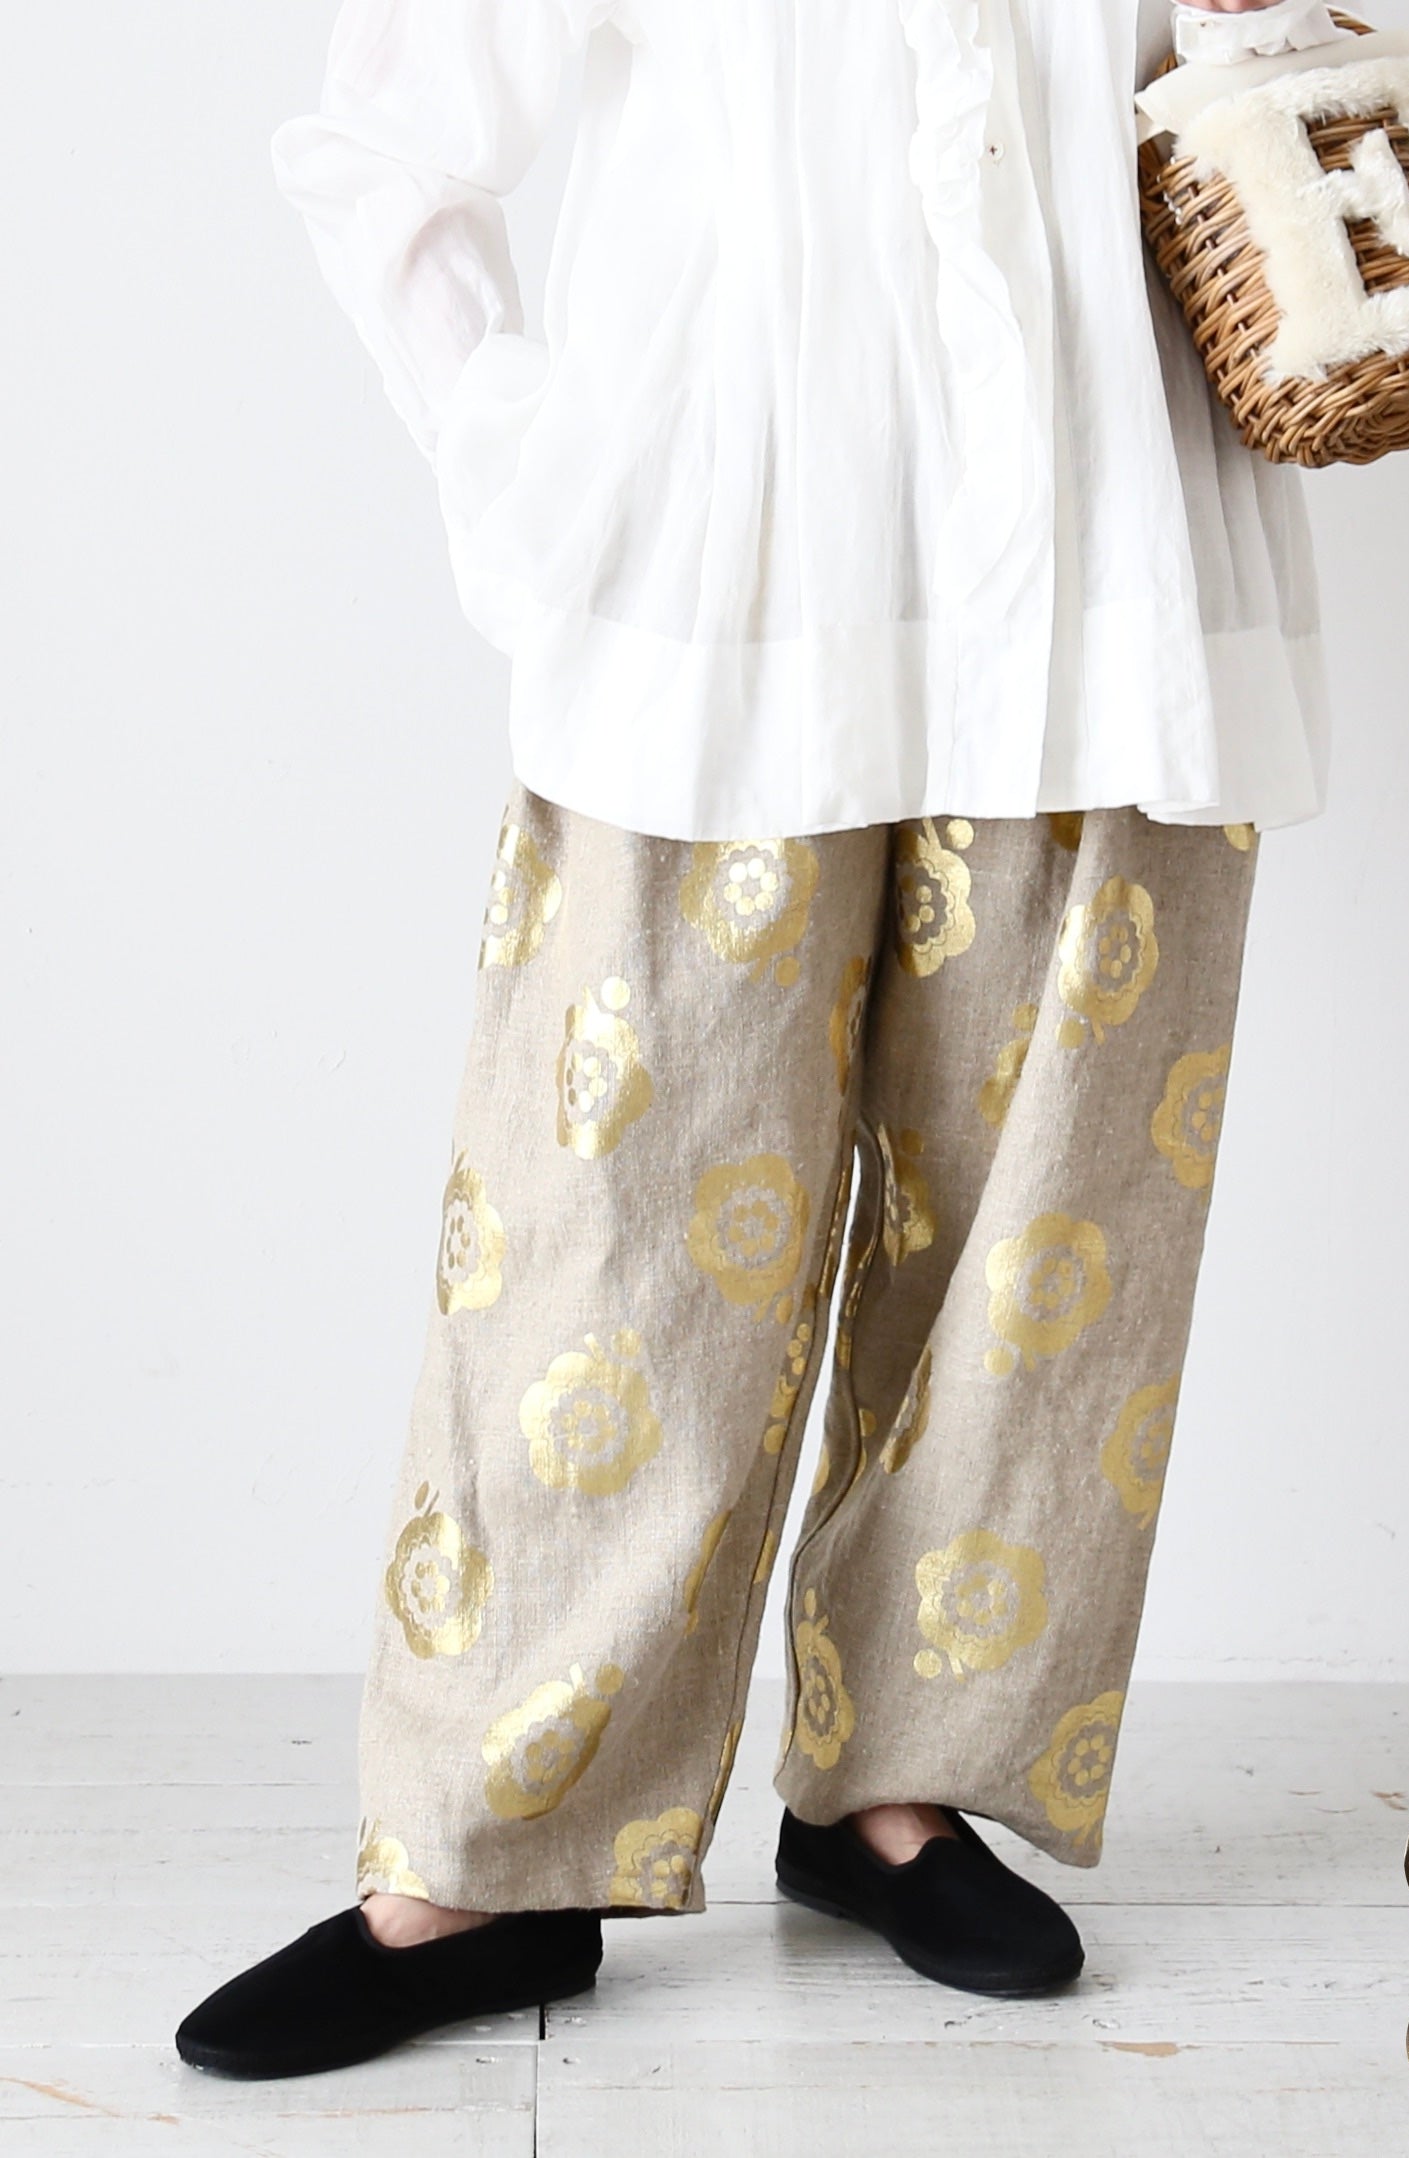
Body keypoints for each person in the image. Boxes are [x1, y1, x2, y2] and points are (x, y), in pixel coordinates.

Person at [178, 0, 1327, 2080]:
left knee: (1043, 1220)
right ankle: (488, 1856)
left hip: (1097, 513)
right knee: (612, 1221)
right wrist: (528, 458)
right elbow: (386, 139)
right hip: (730, 536)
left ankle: (901, 1783)